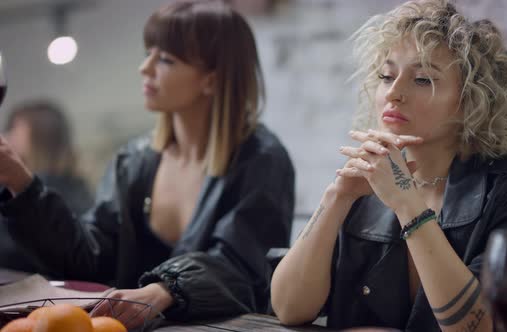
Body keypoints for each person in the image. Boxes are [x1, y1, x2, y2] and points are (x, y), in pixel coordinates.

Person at [0, 0, 295, 328]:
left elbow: (242, 265)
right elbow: (87, 258)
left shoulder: (262, 159)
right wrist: (21, 182)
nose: (145, 67)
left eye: (166, 59)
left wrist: (166, 290)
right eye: (148, 53)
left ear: (212, 79)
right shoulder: (133, 161)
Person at [270, 1, 507, 331]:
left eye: (421, 79)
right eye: (386, 76)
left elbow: (478, 327)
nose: (394, 92)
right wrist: (337, 198)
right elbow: (289, 309)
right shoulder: (367, 181)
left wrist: (407, 203)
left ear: (470, 102)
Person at [0, 100, 93, 274]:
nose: (6, 136)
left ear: (40, 136)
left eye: (14, 129)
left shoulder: (41, 191)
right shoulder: (77, 185)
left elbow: (10, 252)